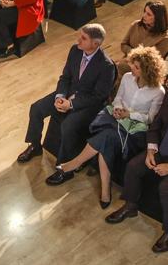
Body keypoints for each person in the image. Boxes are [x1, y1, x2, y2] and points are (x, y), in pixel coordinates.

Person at [49, 46, 166, 208]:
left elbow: (150, 119)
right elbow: (117, 98)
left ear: (147, 70)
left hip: (135, 131)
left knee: (106, 137)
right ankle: (105, 191)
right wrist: (118, 109)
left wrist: (129, 114)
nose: (132, 67)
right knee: (106, 142)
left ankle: (73, 164)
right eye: (132, 64)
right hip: (116, 119)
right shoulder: (126, 77)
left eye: (137, 67)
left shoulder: (158, 92)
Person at [17, 24, 115, 167]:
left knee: (68, 126)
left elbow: (99, 96)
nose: (78, 40)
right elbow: (65, 77)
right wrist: (60, 96)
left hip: (87, 105)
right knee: (37, 108)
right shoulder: (75, 50)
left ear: (95, 43)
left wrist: (72, 104)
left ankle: (65, 166)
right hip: (67, 94)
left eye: (83, 38)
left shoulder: (107, 66)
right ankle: (35, 145)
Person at [104, 92, 168, 253]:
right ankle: (130, 206)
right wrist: (151, 150)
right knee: (133, 167)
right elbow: (157, 125)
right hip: (161, 150)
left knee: (165, 188)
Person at [116, 2, 168, 78]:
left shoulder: (164, 39)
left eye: (148, 14)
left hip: (143, 73)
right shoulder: (136, 25)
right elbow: (123, 44)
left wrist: (132, 56)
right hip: (127, 62)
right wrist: (132, 54)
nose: (144, 16)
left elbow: (151, 62)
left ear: (158, 18)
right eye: (144, 12)